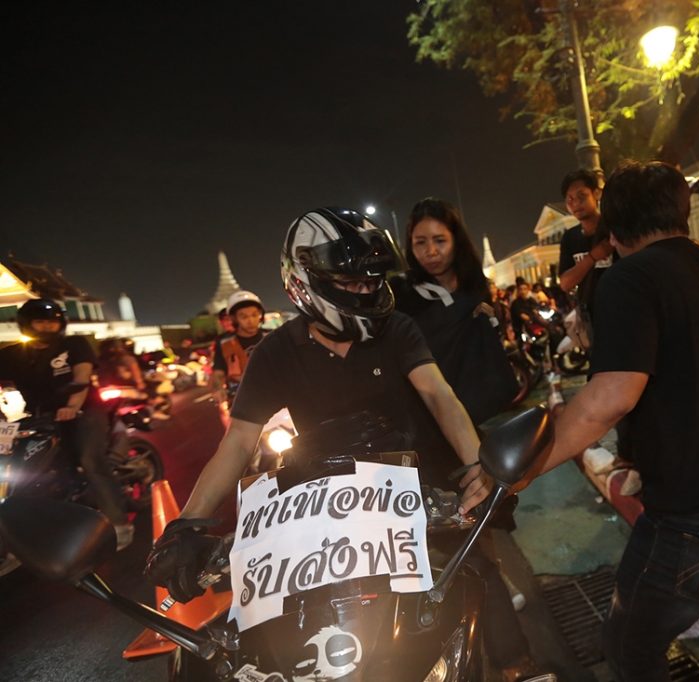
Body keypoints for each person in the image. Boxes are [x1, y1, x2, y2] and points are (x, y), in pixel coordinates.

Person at [144, 208, 534, 680]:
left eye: (370, 280)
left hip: (413, 493)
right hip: (319, 508)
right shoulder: (275, 353)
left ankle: (519, 666)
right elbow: (238, 441)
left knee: (475, 577)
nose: (364, 290)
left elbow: (440, 396)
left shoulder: (397, 329)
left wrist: (481, 469)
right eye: (349, 282)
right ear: (304, 279)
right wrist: (185, 526)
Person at [534, 162, 699, 681]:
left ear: (613, 229)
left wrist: (523, 469)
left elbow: (611, 396)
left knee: (630, 644)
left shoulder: (631, 278)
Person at [0, 299, 134, 549]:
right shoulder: (13, 355)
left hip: (85, 411)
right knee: (26, 466)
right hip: (41, 417)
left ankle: (120, 524)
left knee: (90, 461)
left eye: (52, 322)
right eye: (40, 322)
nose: (46, 327)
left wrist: (72, 406)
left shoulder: (74, 344)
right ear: (26, 324)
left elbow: (82, 377)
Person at [392, 197, 518, 426]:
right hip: (437, 418)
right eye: (420, 242)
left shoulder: (476, 285)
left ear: (456, 241)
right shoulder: (401, 293)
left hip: (492, 410)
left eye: (440, 240)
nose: (430, 251)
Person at [557, 169, 614, 345]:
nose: (575, 204)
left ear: (596, 194)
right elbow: (566, 283)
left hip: (621, 308)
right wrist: (593, 257)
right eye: (570, 199)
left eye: (581, 196)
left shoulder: (614, 227)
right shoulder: (570, 238)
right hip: (591, 315)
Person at [211, 289, 268, 406]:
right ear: (234, 319)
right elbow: (218, 373)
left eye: (254, 314)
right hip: (240, 402)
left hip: (275, 396)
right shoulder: (223, 343)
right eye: (244, 316)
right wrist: (218, 389)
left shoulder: (273, 337)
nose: (250, 320)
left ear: (260, 316)